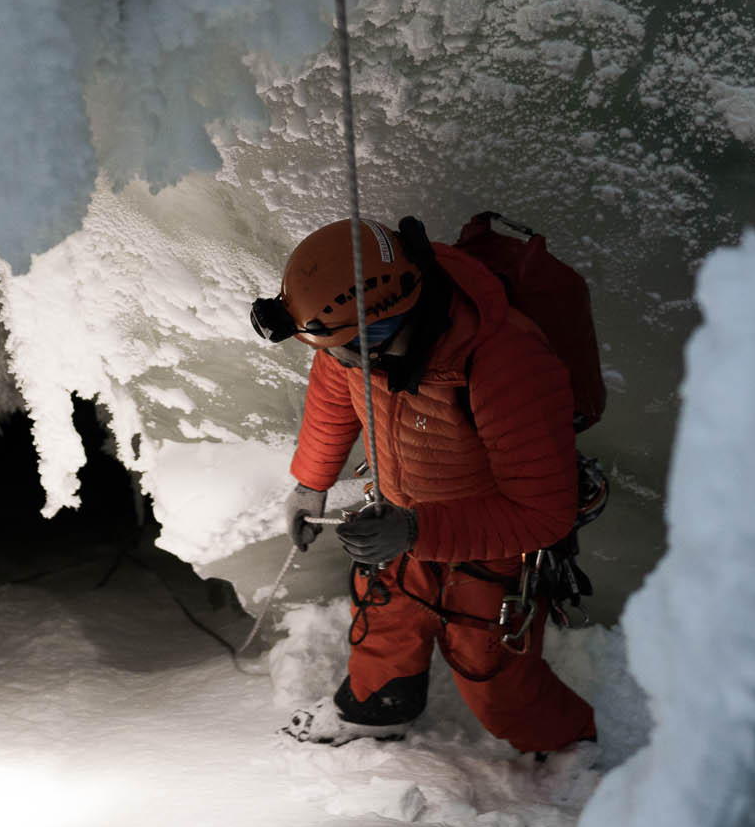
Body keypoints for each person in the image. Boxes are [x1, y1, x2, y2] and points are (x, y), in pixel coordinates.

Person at [250, 216, 597, 754]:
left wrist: (414, 530)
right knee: (385, 616)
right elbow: (334, 388)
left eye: (341, 349)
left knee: (492, 670)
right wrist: (311, 483)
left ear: (379, 333)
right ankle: (377, 710)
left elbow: (544, 513)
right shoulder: (359, 344)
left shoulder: (506, 360)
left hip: (491, 541)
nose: (334, 360)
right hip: (401, 518)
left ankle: (567, 747)